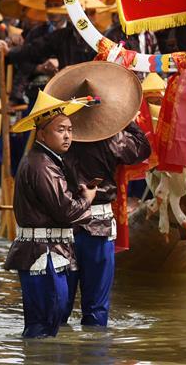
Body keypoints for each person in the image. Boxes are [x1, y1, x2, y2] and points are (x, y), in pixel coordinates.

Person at [44, 61, 151, 327]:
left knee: (59, 308)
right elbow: (142, 149)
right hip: (98, 228)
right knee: (96, 310)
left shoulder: (55, 140)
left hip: (62, 227)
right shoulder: (113, 140)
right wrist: (126, 116)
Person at [3, 91, 97, 339]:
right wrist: (86, 200)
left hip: (47, 252)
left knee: (47, 324)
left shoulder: (45, 161)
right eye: (60, 130)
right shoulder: (42, 164)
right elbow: (66, 210)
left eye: (69, 129)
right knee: (43, 326)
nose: (67, 135)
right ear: (42, 133)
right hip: (41, 253)